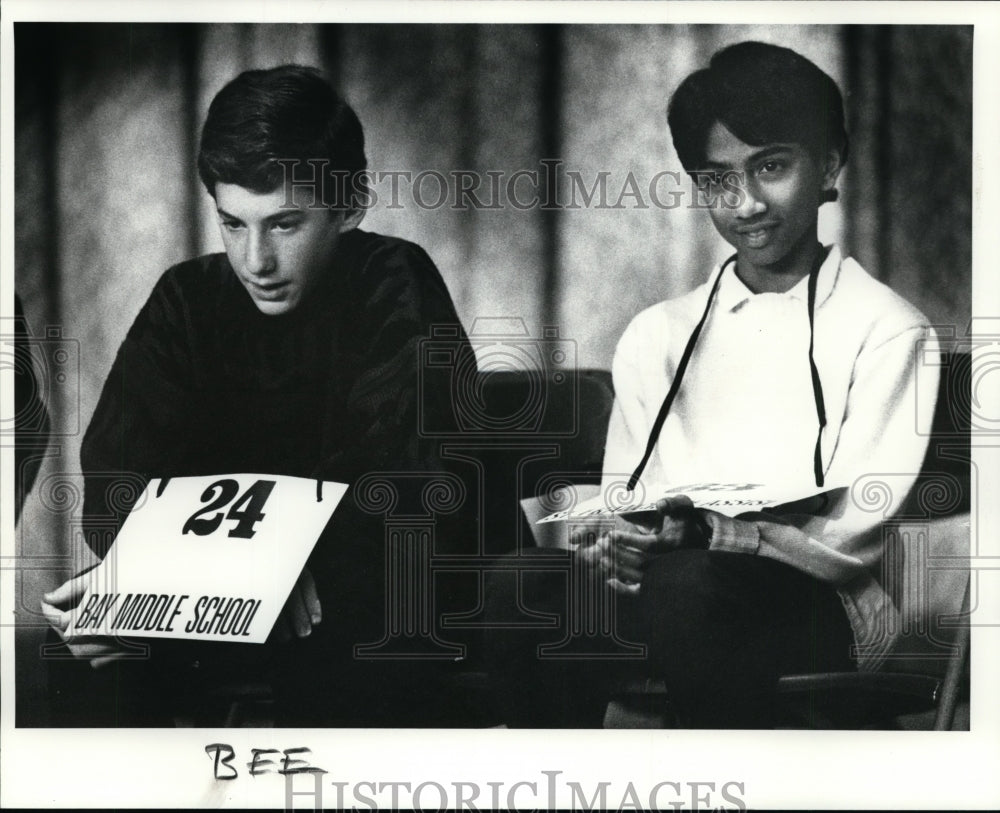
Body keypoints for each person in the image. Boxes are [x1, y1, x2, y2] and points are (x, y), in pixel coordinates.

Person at [487, 41, 938, 728]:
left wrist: (713, 535)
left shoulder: (885, 328)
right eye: (719, 179)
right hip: (667, 589)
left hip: (825, 604)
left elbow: (853, 539)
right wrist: (617, 536)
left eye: (773, 166)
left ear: (830, 165)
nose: (747, 202)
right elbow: (623, 501)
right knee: (522, 583)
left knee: (688, 586)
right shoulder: (657, 333)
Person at [40, 64, 476, 727]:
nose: (255, 260)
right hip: (216, 601)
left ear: (349, 206)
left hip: (365, 604)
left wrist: (264, 563)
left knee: (344, 640)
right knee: (69, 647)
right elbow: (112, 492)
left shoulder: (394, 277)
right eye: (233, 223)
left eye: (285, 224)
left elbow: (403, 493)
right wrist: (239, 569)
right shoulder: (186, 298)